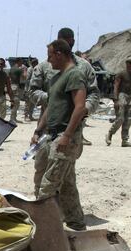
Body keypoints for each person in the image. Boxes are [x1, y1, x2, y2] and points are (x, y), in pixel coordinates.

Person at [31, 39, 87, 231]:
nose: (49, 61)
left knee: (48, 185)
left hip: (65, 137)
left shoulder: (74, 75)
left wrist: (67, 135)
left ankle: (41, 228)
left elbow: (80, 107)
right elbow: (50, 108)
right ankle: (76, 222)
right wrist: (38, 130)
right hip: (52, 135)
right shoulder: (56, 78)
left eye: (50, 56)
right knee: (67, 184)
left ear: (60, 54)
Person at [29, 28, 99, 145]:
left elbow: (94, 94)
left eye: (70, 41)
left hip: (71, 127)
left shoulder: (84, 66)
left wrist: (83, 109)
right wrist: (54, 99)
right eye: (64, 41)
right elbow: (32, 91)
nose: (67, 44)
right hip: (47, 124)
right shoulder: (45, 66)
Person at [106, 57, 131, 147]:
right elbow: (116, 86)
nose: (130, 64)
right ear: (126, 63)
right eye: (129, 62)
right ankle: (110, 133)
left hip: (130, 97)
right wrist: (116, 100)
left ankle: (125, 140)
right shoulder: (121, 74)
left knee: (128, 120)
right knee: (120, 118)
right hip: (121, 95)